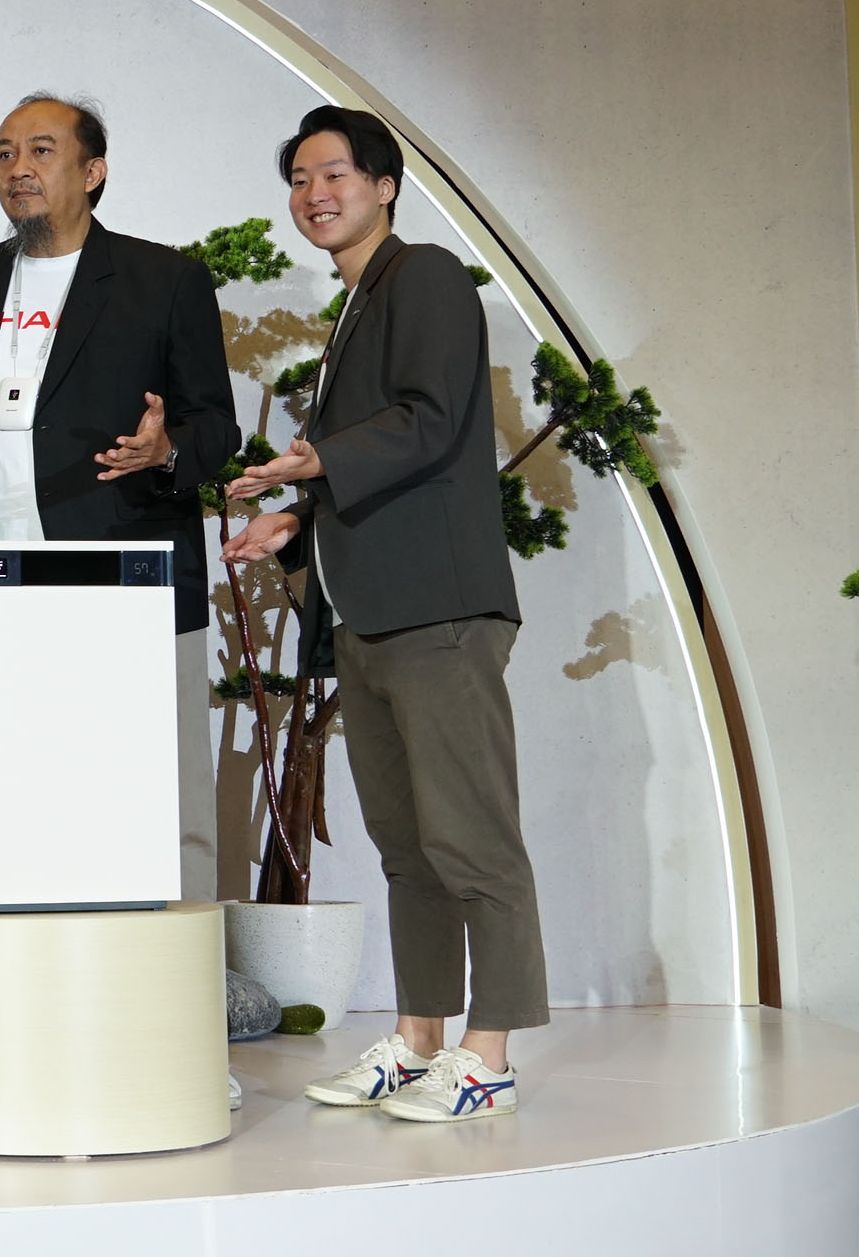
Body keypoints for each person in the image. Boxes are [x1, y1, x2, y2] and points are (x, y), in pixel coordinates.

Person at [224, 104, 547, 1124]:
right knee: (406, 846)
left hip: (438, 609)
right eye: (298, 179)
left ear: (383, 185)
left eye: (332, 175)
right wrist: (294, 516)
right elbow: (391, 446)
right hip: (369, 612)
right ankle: (416, 1038)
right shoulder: (358, 300)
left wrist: (313, 458)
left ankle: (486, 1052)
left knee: (472, 839)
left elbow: (425, 417)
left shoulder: (427, 278)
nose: (312, 194)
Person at [0, 92, 239, 899]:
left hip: (128, 577)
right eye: (2, 152)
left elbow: (216, 428)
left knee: (164, 796)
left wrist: (167, 450)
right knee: (18, 792)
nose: (17, 169)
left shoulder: (163, 279)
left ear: (93, 172)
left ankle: (182, 983)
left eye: (40, 150)